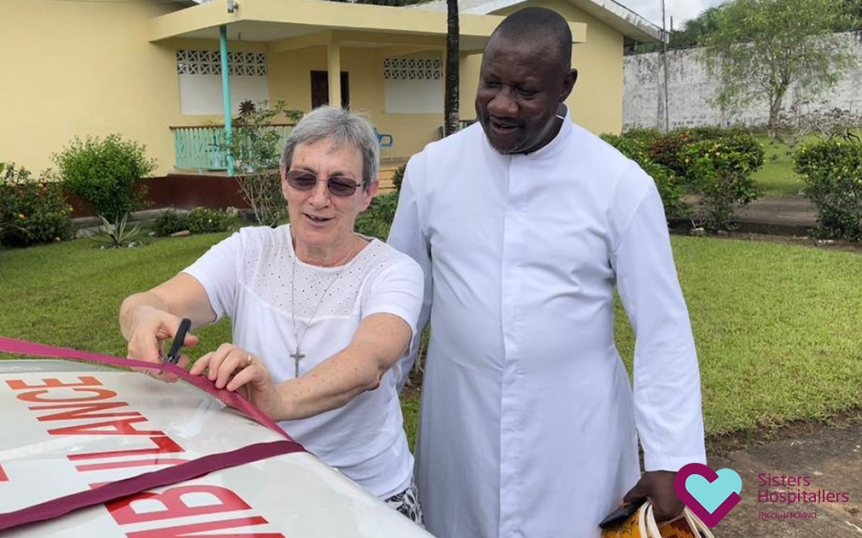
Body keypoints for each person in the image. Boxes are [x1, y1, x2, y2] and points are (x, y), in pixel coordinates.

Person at [387, 7, 706, 538]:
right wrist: (371, 410)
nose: (502, 105)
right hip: (458, 423)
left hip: (575, 432)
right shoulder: (431, 171)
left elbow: (662, 327)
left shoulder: (619, 185)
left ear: (566, 86)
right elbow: (401, 302)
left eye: (525, 91)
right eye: (491, 83)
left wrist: (672, 460)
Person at [119, 106, 425, 524]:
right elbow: (152, 300)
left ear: (367, 193)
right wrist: (142, 319)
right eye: (304, 178)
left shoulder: (393, 271)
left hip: (365, 494)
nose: (318, 199)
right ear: (284, 179)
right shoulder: (250, 250)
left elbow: (370, 359)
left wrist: (276, 400)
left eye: (340, 184)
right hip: (265, 482)